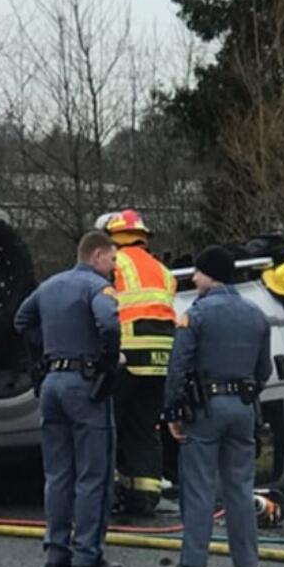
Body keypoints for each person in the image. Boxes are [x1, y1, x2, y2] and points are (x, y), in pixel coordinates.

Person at [14, 230, 123, 567]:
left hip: (52, 384)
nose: (114, 267)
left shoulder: (50, 286)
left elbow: (21, 320)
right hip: (85, 385)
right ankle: (87, 554)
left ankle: (56, 552)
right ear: (96, 256)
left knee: (58, 474)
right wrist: (107, 361)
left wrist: (49, 347)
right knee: (95, 473)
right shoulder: (96, 287)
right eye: (112, 259)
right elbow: (108, 321)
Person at [161, 245, 270, 567]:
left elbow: (179, 365)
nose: (193, 277)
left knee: (199, 486)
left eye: (198, 272)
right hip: (243, 408)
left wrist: (172, 410)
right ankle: (246, 565)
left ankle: (194, 563)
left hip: (205, 409)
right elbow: (263, 369)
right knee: (240, 487)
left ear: (211, 274)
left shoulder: (197, 314)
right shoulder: (256, 314)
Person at [96, 209, 176, 516]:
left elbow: (101, 306)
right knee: (145, 428)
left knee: (109, 424)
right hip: (160, 361)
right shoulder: (162, 270)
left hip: (126, 356)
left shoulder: (115, 265)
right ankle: (144, 497)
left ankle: (110, 491)